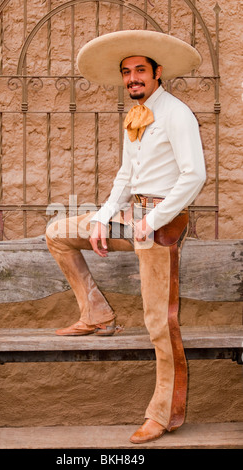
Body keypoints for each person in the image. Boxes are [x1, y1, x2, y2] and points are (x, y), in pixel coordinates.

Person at [46, 30, 206, 443]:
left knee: (159, 323)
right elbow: (125, 175)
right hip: (131, 214)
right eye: (126, 72)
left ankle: (163, 414)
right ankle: (96, 312)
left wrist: (152, 221)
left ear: (157, 73)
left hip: (161, 222)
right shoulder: (135, 115)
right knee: (58, 231)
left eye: (140, 70)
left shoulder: (177, 113)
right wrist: (102, 217)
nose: (132, 78)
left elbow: (194, 176)